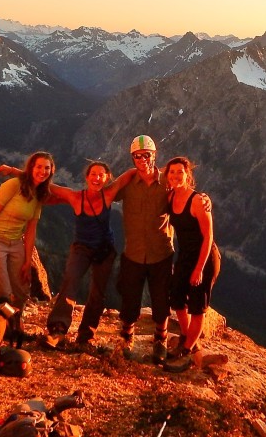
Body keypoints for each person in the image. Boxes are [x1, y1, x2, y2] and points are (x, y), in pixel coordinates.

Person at [41, 160, 130, 349]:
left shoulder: (109, 194)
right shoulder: (75, 197)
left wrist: (159, 172)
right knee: (70, 281)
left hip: (105, 250)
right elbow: (48, 185)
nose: (97, 178)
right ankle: (58, 329)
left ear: (107, 178)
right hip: (81, 247)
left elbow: (130, 174)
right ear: (87, 177)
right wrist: (13, 171)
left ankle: (86, 335)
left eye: (101, 175)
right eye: (93, 174)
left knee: (97, 292)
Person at [112, 135, 176, 363]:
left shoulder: (168, 183)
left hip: (161, 252)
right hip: (134, 252)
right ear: (132, 158)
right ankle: (127, 337)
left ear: (154, 156)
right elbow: (105, 194)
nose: (142, 160)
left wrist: (204, 199)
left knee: (162, 299)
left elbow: (187, 195)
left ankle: (161, 339)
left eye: (146, 155)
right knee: (130, 298)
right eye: (137, 156)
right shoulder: (128, 184)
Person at [0, 151, 53, 312]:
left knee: (21, 291)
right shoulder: (13, 185)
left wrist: (27, 261)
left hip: (16, 243)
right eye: (39, 166)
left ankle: (16, 328)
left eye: (47, 168)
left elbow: (31, 230)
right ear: (31, 167)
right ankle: (1, 330)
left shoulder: (39, 194)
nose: (42, 171)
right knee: (2, 293)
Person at [164, 156, 220, 367]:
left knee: (197, 304)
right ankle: (189, 339)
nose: (176, 176)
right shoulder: (170, 197)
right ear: (167, 176)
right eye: (172, 172)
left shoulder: (197, 201)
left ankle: (186, 349)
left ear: (188, 175)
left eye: (180, 172)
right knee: (177, 296)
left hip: (205, 257)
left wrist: (199, 269)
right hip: (185, 255)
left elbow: (208, 237)